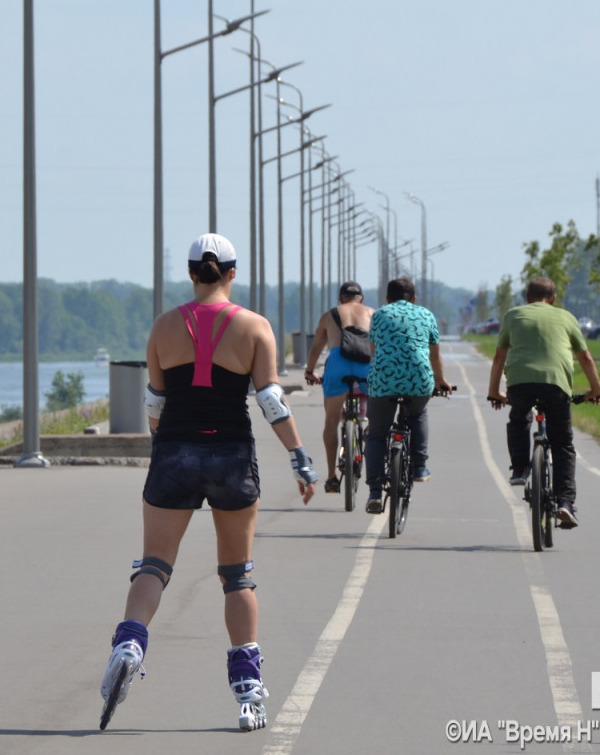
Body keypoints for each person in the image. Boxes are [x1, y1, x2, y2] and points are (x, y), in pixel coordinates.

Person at [99, 233, 318, 733]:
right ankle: (247, 689)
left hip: (174, 452)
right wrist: (299, 457)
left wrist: (166, 445)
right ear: (232, 273)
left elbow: (154, 405)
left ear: (193, 273)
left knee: (153, 565)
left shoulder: (162, 327)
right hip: (232, 457)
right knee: (236, 574)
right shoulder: (254, 328)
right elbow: (271, 403)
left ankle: (130, 642)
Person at [486, 276, 600, 529]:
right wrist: (596, 388)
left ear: (527, 298)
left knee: (519, 417)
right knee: (562, 443)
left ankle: (519, 469)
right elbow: (585, 356)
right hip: (556, 384)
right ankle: (566, 503)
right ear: (553, 299)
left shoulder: (513, 315)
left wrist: (494, 391)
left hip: (519, 383)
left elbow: (499, 356)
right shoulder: (566, 317)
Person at [363, 278, 452, 514]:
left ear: (387, 299)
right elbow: (435, 356)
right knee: (418, 413)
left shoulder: (379, 315)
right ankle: (420, 467)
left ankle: (374, 491)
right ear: (414, 299)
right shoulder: (426, 315)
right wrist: (441, 381)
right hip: (419, 380)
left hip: (383, 381)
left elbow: (374, 352)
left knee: (376, 435)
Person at [303, 281, 375, 493]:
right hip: (367, 365)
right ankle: (375, 473)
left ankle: (331, 477)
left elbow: (316, 347)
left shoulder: (329, 315)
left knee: (331, 421)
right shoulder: (373, 314)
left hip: (337, 364)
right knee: (376, 420)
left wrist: (309, 372)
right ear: (361, 298)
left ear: (340, 298)